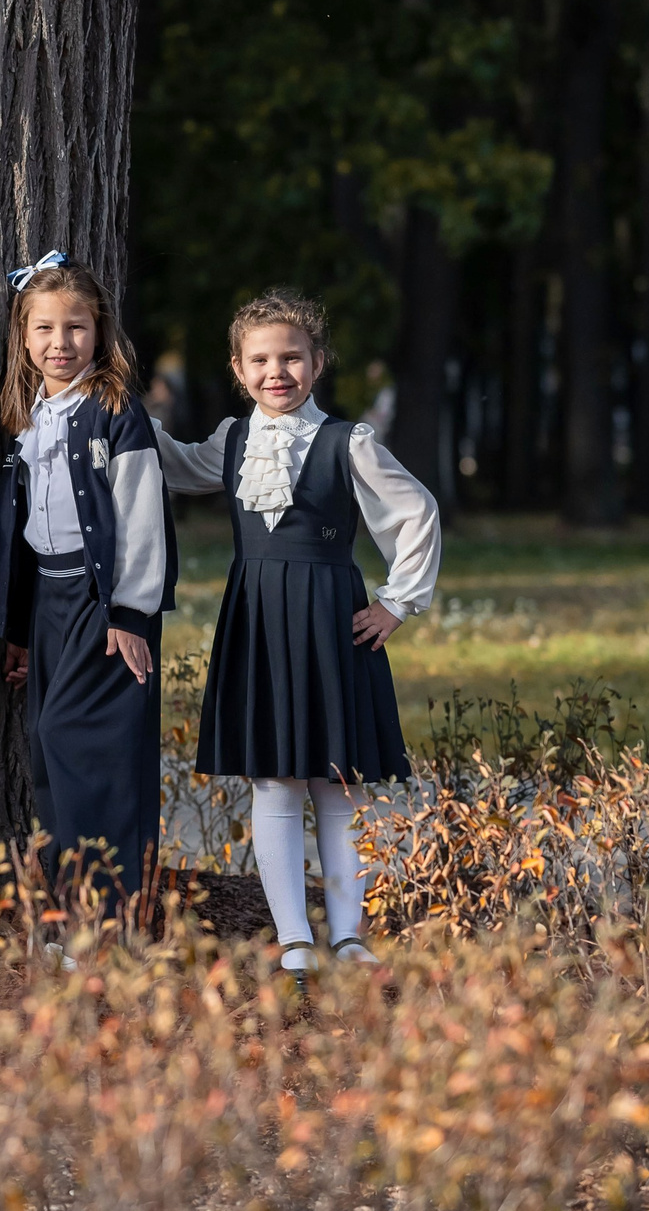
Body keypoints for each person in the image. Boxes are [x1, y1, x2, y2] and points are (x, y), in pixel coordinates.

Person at [153, 288, 442, 974]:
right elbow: (171, 461)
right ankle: (294, 938)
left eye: (291, 357)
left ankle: (348, 933)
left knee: (339, 784)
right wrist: (115, 413)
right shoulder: (232, 441)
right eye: (260, 359)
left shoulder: (350, 442)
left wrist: (398, 602)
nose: (276, 371)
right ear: (237, 366)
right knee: (276, 782)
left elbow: (418, 511)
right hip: (257, 620)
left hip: (332, 621)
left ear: (318, 361)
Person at [0, 254, 174, 913]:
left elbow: (142, 516)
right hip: (47, 601)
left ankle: (113, 907)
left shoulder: (116, 412)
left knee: (86, 743)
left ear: (100, 332)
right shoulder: (28, 414)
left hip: (106, 604)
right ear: (23, 334)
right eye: (44, 329)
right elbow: (19, 532)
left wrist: (129, 614)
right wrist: (17, 630)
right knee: (44, 741)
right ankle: (73, 902)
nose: (60, 343)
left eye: (75, 328)